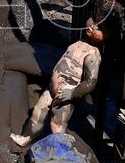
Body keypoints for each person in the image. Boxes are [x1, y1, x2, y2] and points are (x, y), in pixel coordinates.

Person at [10, 17, 105, 147]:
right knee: (38, 112)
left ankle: (59, 150)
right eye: (92, 26)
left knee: (57, 123)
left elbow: (91, 82)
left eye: (97, 28)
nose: (90, 28)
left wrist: (72, 93)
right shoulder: (77, 43)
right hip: (51, 88)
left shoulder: (92, 54)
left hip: (65, 93)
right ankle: (26, 138)